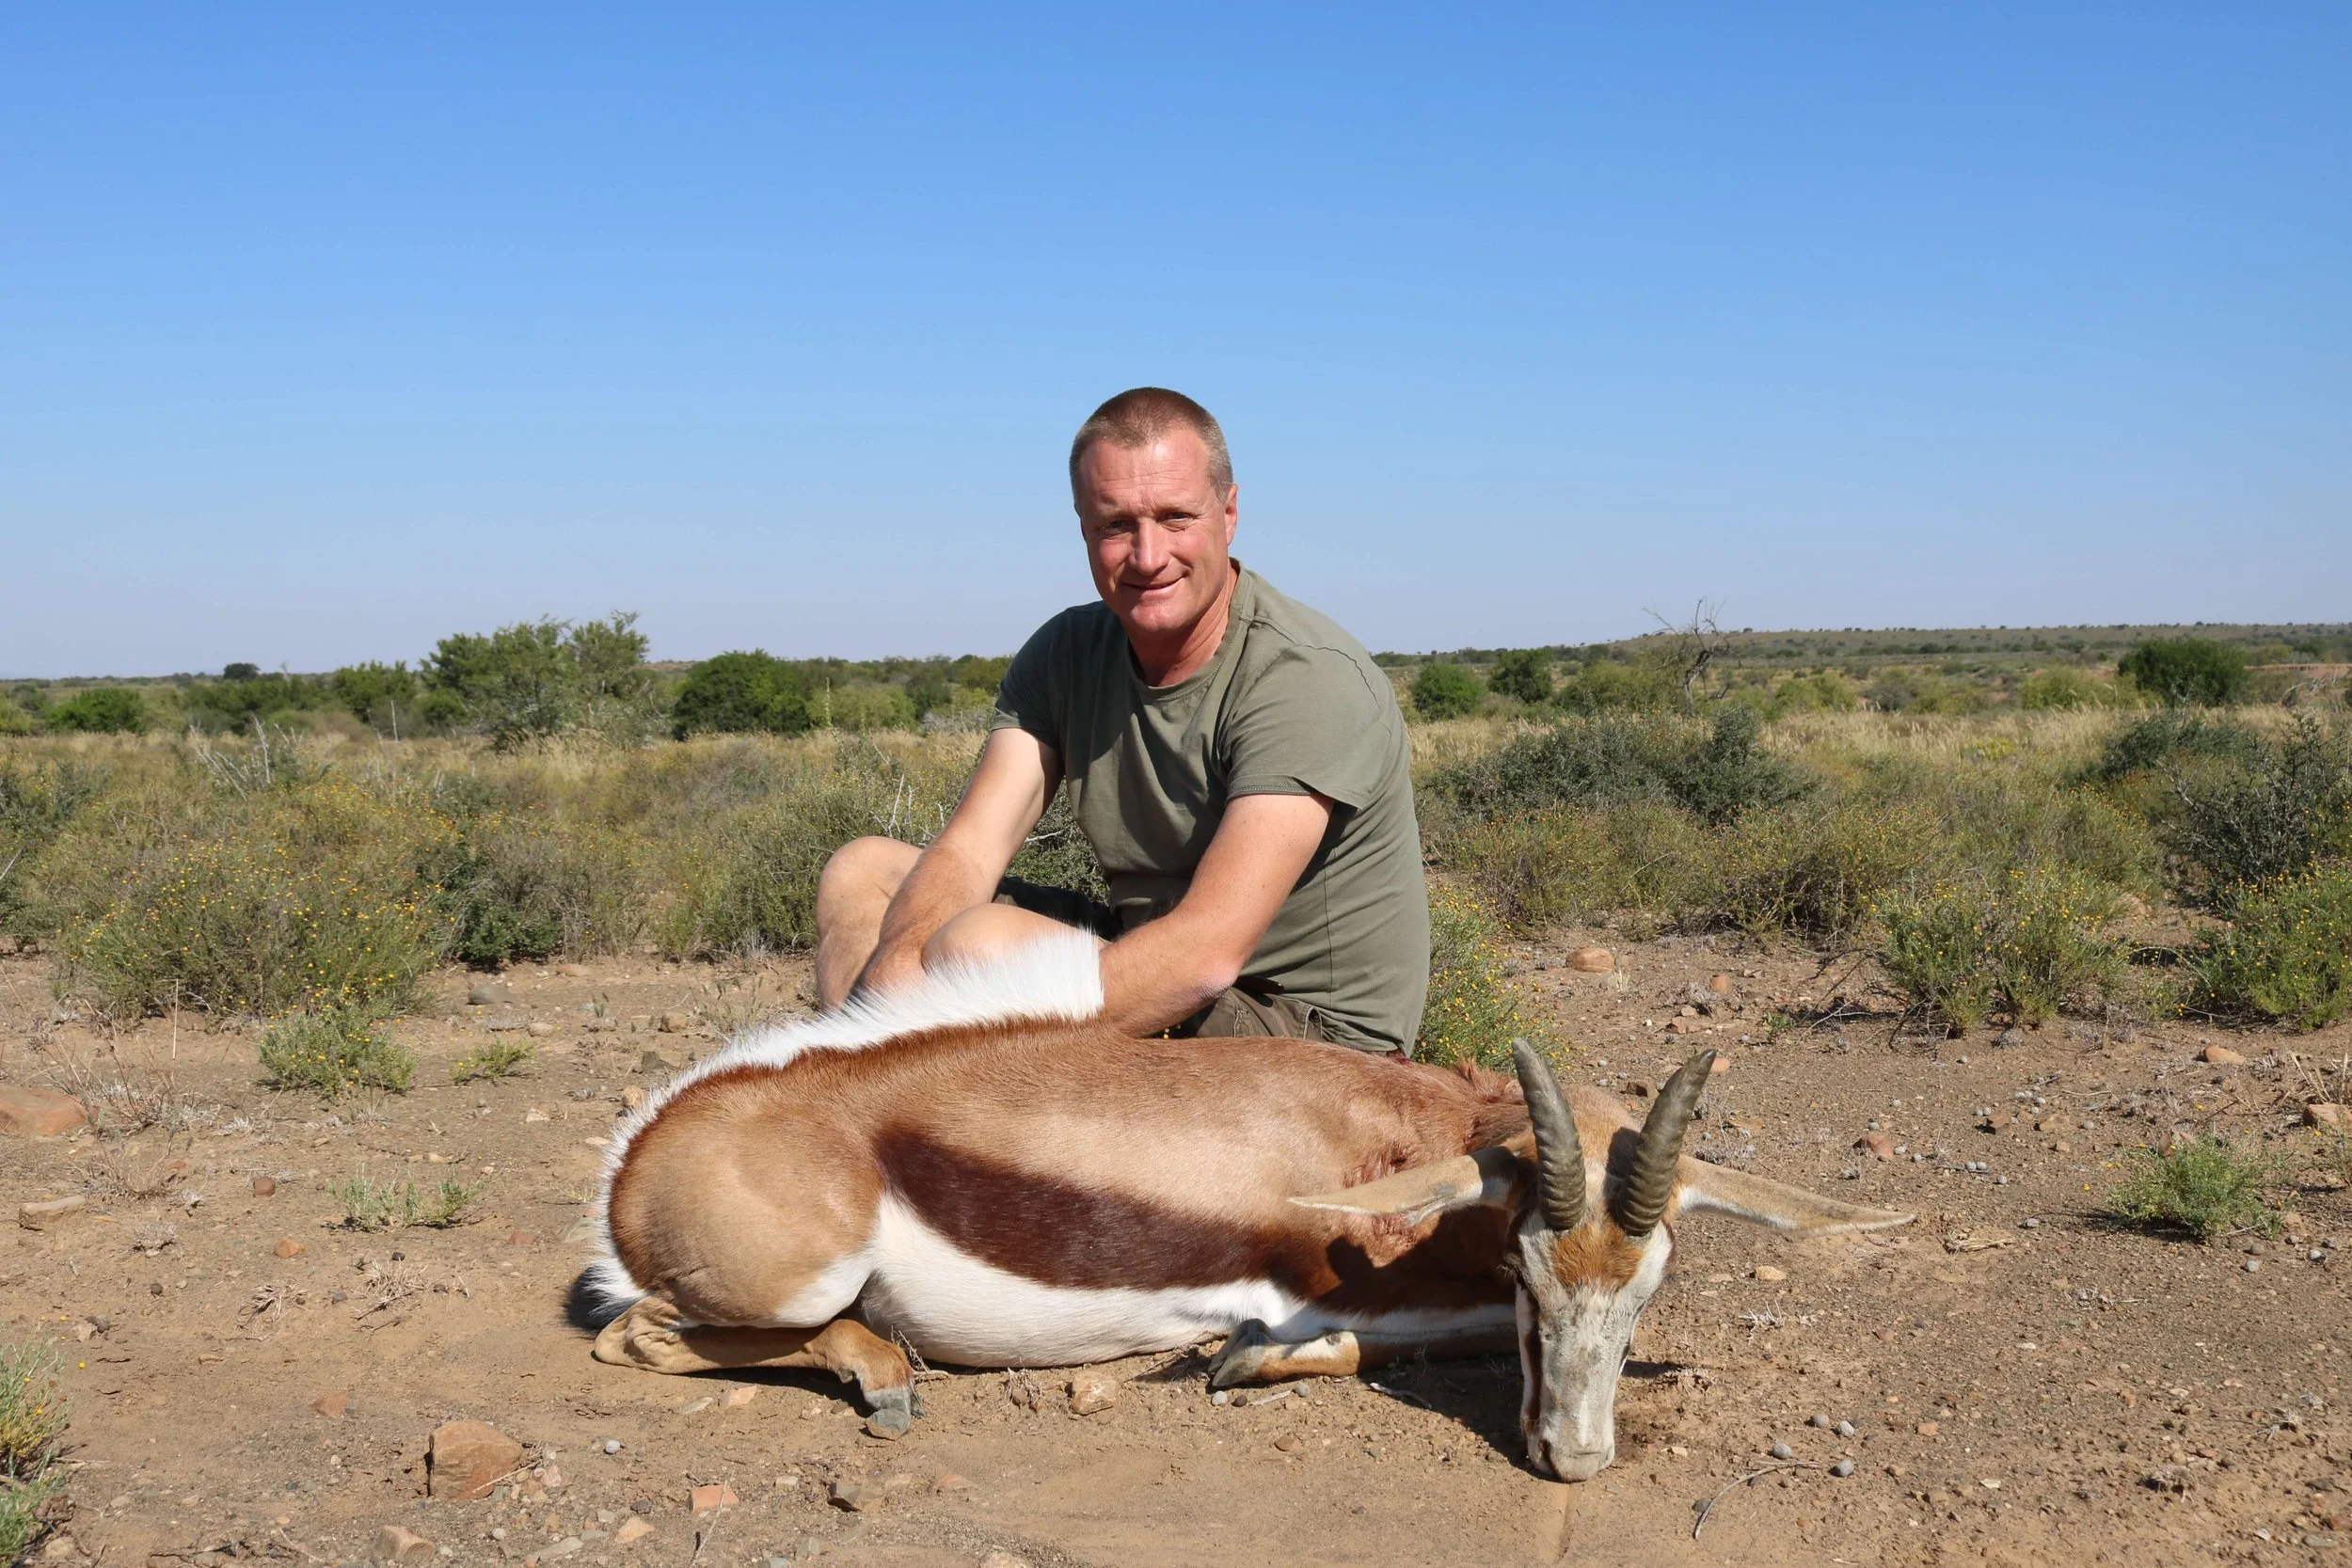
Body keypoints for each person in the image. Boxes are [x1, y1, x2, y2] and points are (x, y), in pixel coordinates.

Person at [813, 388, 1429, 1051]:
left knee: (977, 949)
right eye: (1116, 525)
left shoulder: (1303, 676)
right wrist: (897, 975)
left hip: (1304, 1040)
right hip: (1152, 962)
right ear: (1083, 527)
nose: (1147, 555)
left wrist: (912, 1006)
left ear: (1228, 513)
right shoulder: (1067, 655)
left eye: (1175, 517)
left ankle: (888, 1104)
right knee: (863, 874)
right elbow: (970, 849)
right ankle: (877, 1097)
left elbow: (1206, 954)